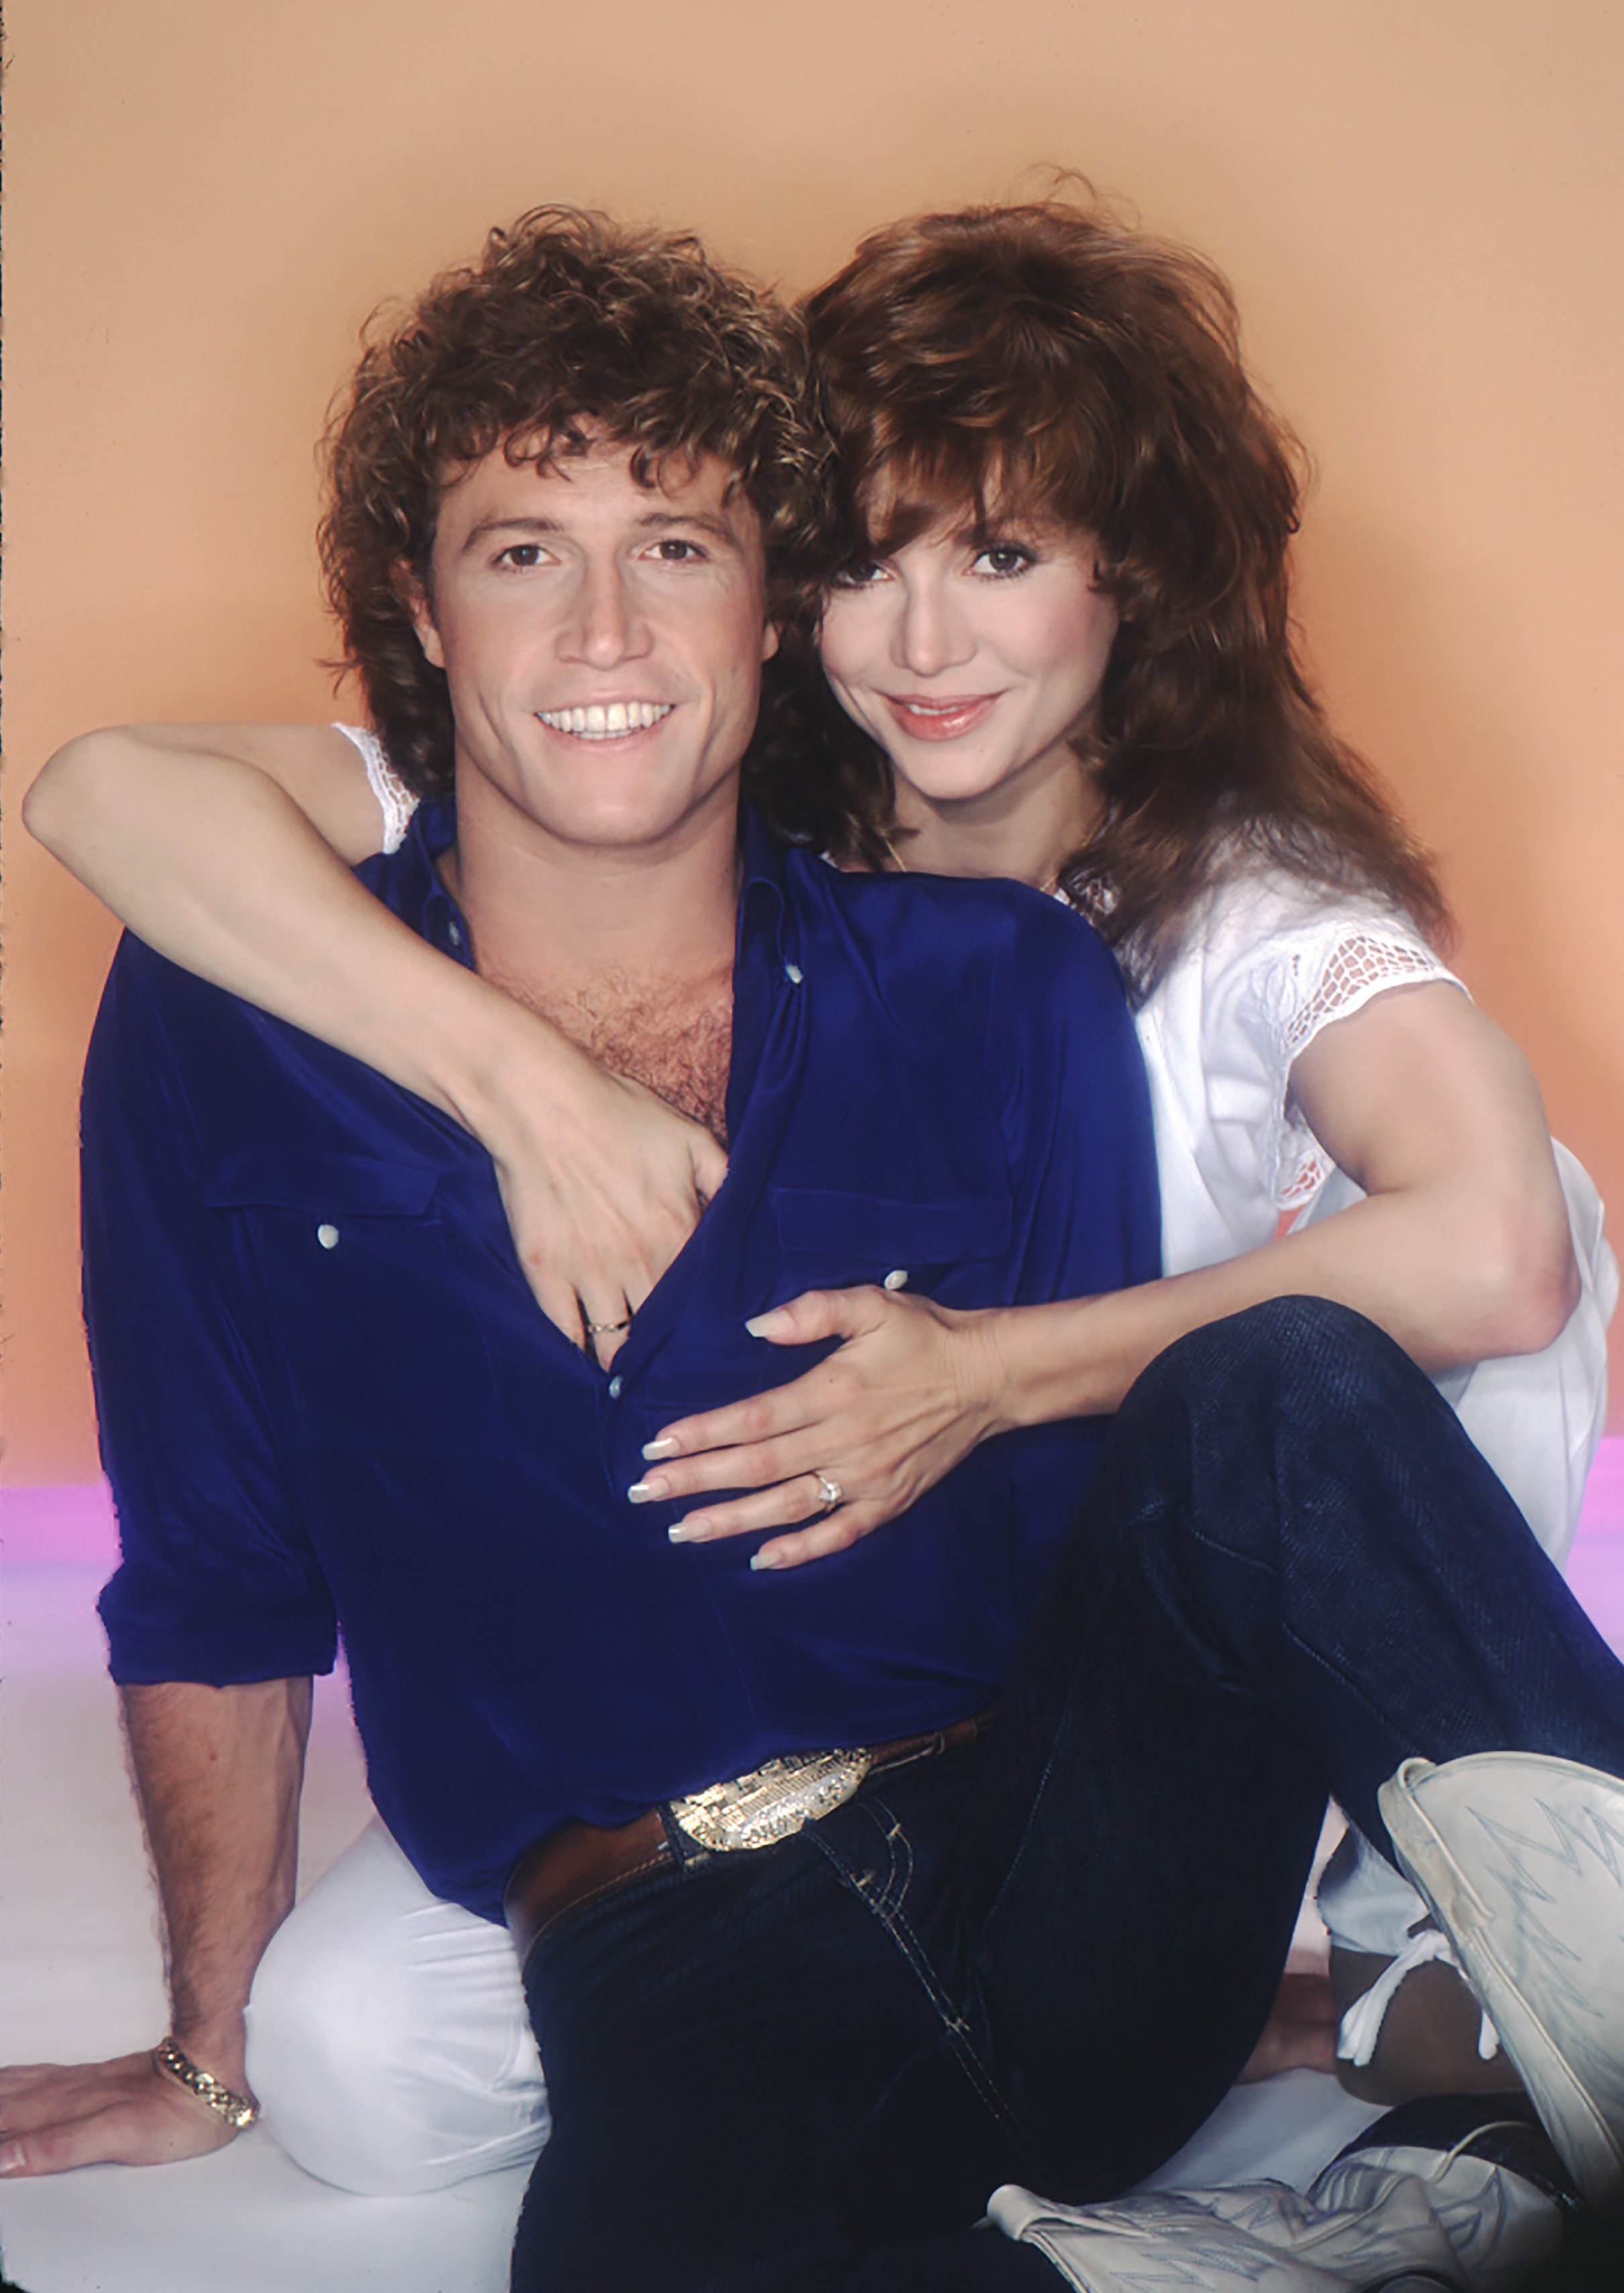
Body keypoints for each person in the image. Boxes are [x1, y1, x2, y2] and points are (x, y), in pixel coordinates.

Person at [11, 200, 1624, 2293]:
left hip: (1054, 1867)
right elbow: (216, 1565)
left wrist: (986, 1380)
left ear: (751, 604)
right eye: (525, 553)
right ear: (424, 609)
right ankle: (1354, 2248)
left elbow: (1251, 1421)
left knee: (1283, 1373)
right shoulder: (260, 980)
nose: (605, 630)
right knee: (471, 2151)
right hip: (669, 1961)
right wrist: (203, 2050)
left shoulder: (1019, 974)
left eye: (678, 546)